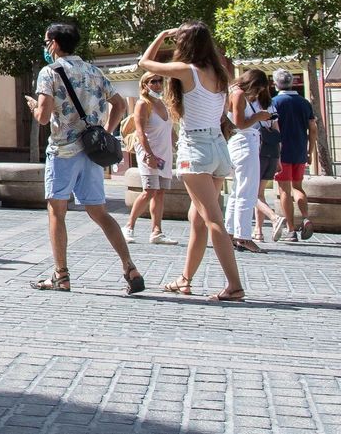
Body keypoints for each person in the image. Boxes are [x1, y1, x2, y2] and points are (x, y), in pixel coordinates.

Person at [25, 20, 145, 296]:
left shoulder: (49, 72)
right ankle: (130, 267)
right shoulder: (94, 71)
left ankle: (61, 275)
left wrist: (33, 107)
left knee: (57, 211)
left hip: (63, 151)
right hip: (91, 152)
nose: (46, 47)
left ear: (55, 44)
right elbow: (119, 104)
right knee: (99, 212)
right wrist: (105, 131)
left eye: (46, 42)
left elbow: (43, 117)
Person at [136, 22, 241, 302]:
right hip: (218, 147)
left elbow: (144, 63)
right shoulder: (220, 72)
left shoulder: (187, 70)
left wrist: (161, 35)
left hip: (196, 147)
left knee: (213, 219)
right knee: (197, 217)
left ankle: (234, 286)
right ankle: (185, 279)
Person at [124, 72, 178, 245]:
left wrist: (179, 147)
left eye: (160, 81)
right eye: (153, 81)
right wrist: (149, 155)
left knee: (160, 192)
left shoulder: (164, 104)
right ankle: (129, 226)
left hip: (164, 154)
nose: (157, 84)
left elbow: (170, 130)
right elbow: (140, 132)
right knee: (149, 191)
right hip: (149, 153)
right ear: (144, 85)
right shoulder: (142, 104)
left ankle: (156, 231)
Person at [225, 68, 274, 253]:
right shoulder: (238, 94)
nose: (259, 93)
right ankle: (243, 236)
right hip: (244, 142)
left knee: (238, 191)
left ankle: (231, 233)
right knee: (247, 192)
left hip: (243, 142)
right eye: (259, 88)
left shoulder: (236, 92)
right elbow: (239, 123)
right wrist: (258, 117)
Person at [269, 68, 318, 242]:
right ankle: (305, 217)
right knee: (298, 187)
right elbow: (313, 128)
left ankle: (291, 230)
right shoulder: (304, 103)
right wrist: (310, 151)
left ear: (276, 84)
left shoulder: (274, 102)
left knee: (284, 190)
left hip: (281, 152)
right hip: (299, 150)